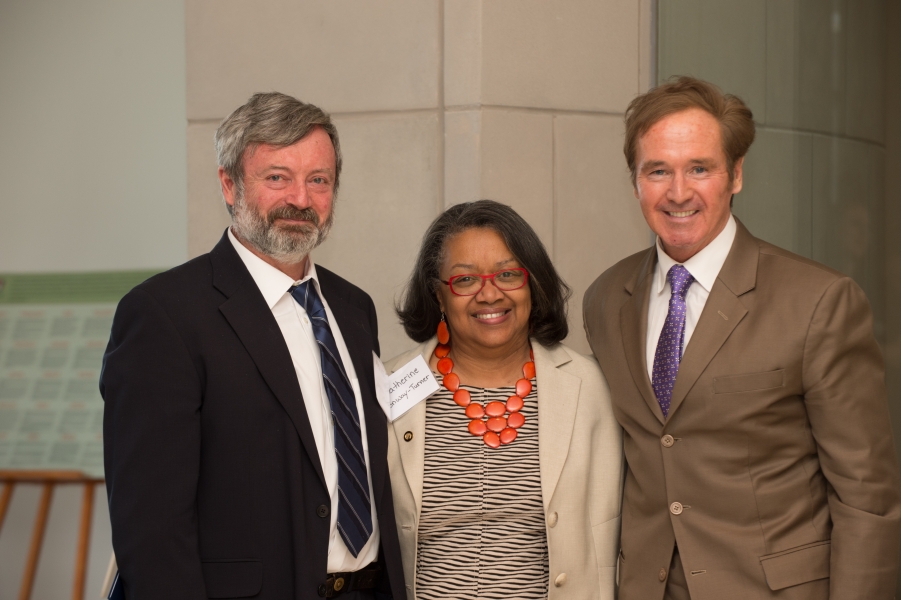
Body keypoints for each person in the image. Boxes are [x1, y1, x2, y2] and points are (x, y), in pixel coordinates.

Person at [583, 76, 901, 599]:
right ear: (635, 181)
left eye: (699, 169)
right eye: (658, 170)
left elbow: (866, 500)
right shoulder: (605, 299)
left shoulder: (817, 302)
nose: (678, 192)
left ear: (735, 175)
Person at [101, 92, 404, 599]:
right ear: (229, 183)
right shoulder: (164, 315)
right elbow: (151, 531)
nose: (301, 200)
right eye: (277, 178)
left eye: (319, 180)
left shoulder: (353, 309)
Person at [386, 200, 623, 599]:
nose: (489, 294)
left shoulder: (592, 386)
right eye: (465, 280)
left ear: (532, 283)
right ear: (438, 295)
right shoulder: (389, 388)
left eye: (508, 274)